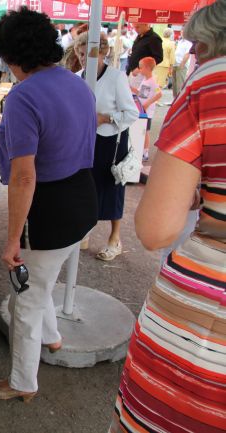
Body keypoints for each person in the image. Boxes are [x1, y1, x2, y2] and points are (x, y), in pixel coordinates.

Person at [109, 1, 226, 431]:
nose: (192, 56)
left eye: (195, 46)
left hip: (206, 320)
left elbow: (156, 230)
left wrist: (199, 196)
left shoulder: (210, 83)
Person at [0, 7, 98, 401]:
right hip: (82, 199)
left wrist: (12, 237)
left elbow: (24, 176)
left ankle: (20, 384)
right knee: (45, 276)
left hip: (48, 207)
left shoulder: (23, 96)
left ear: (12, 56)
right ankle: (52, 338)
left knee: (26, 300)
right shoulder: (75, 82)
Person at [75, 33, 139, 261]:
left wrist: (106, 118)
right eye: (81, 54)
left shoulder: (116, 77)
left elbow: (131, 113)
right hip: (85, 140)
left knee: (111, 189)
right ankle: (84, 230)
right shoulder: (77, 77)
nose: (84, 59)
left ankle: (115, 238)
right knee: (85, 185)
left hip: (111, 141)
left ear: (103, 53)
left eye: (89, 54)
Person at [133, 57, 161, 161]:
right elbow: (141, 93)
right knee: (142, 131)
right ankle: (142, 150)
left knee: (145, 132)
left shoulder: (152, 81)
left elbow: (159, 94)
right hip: (142, 110)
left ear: (147, 68)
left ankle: (145, 152)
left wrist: (148, 104)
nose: (139, 70)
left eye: (141, 68)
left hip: (147, 112)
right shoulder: (145, 80)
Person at [172, 27, 193, 99]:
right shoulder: (180, 41)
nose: (182, 33)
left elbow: (187, 54)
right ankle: (175, 99)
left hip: (181, 65)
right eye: (181, 32)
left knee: (180, 84)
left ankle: (179, 99)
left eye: (183, 32)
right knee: (174, 84)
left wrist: (182, 64)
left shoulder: (188, 43)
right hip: (175, 64)